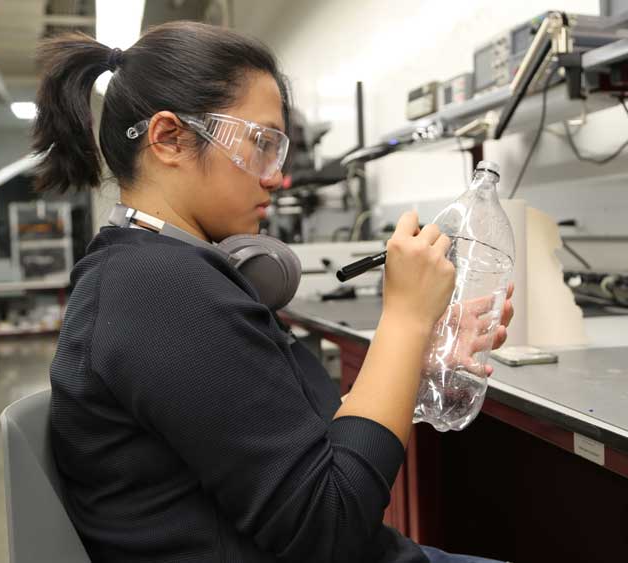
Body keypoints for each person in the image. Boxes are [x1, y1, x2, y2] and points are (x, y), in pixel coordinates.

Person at [36, 21, 514, 563]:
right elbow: (329, 525)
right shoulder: (161, 293)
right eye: (261, 143)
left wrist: (418, 360)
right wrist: (403, 321)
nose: (276, 177)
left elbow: (300, 448)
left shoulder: (150, 275)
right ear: (169, 137)